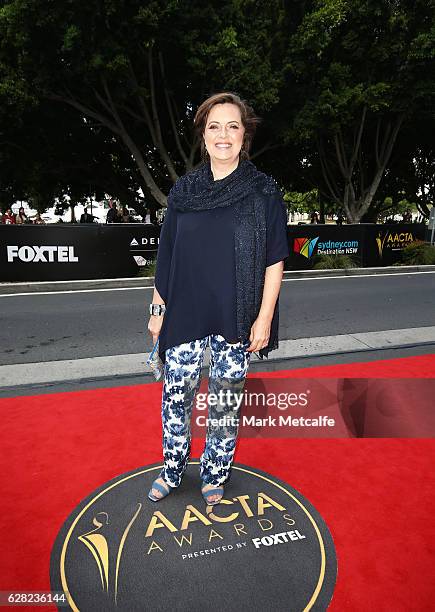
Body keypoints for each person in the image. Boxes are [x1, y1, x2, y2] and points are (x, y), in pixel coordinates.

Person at [147, 92, 289, 505]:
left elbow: (275, 260)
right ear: (203, 135)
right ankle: (173, 468)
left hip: (236, 318)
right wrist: (158, 310)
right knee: (176, 399)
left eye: (232, 126)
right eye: (214, 126)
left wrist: (263, 320)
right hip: (186, 315)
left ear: (245, 135)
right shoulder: (183, 192)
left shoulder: (263, 192)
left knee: (225, 403)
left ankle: (215, 472)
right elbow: (167, 257)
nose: (223, 135)